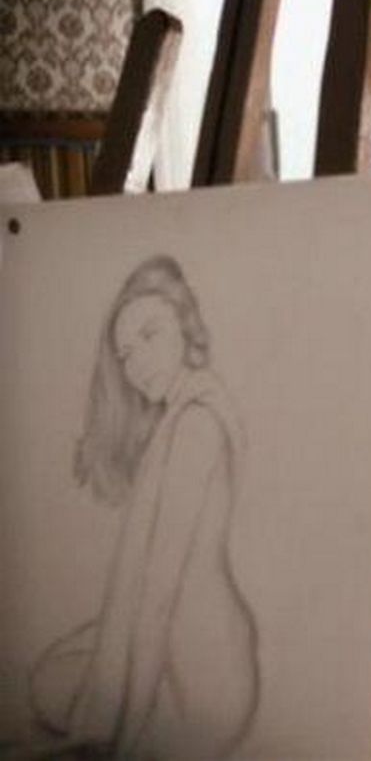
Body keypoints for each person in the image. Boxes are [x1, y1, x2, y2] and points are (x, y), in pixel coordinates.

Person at [28, 255, 258, 757]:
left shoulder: (195, 426)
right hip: (195, 644)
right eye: (126, 354)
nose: (137, 365)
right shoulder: (185, 411)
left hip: (204, 675)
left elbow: (157, 597)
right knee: (51, 678)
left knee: (61, 692)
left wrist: (125, 745)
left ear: (184, 322)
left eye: (150, 335)